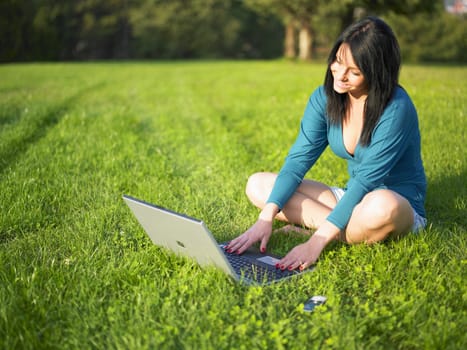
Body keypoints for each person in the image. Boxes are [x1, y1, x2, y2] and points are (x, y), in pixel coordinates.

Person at [225, 16, 427, 271]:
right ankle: (346, 229)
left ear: (377, 73)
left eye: (354, 72)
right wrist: (265, 218)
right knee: (258, 185)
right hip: (351, 197)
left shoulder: (396, 108)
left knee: (383, 207)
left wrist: (315, 242)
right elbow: (298, 162)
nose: (340, 76)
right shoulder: (325, 98)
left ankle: (326, 229)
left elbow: (367, 181)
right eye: (338, 63)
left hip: (394, 205)